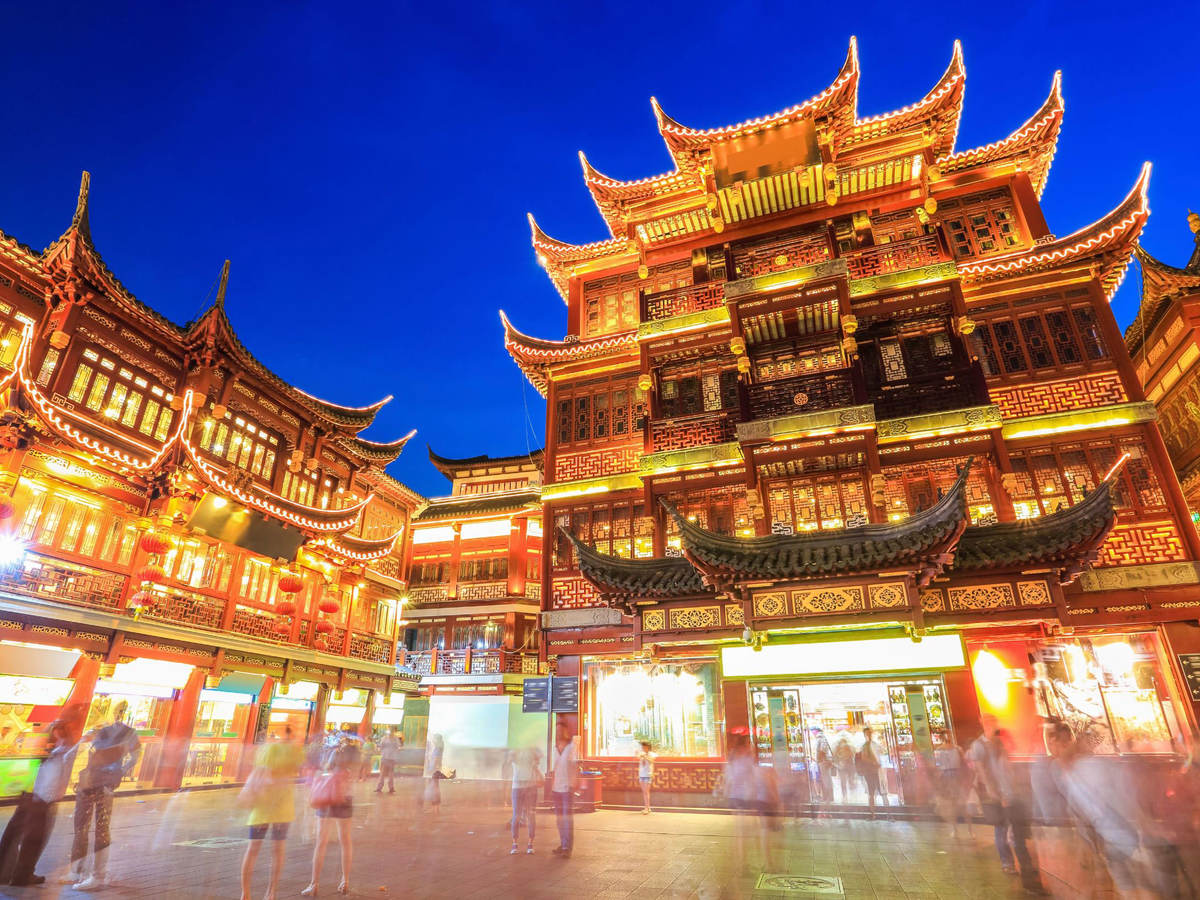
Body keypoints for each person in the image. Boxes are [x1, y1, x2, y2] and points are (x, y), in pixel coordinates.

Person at [65, 699, 141, 891]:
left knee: (100, 826)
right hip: (91, 779)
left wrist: (120, 771)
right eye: (117, 710)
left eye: (122, 711)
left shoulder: (128, 733)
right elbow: (80, 748)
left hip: (104, 781)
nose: (118, 714)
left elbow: (135, 756)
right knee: (81, 825)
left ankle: (97, 874)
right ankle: (76, 869)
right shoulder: (100, 730)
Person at [969, 717, 1044, 894]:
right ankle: (1009, 863)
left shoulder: (999, 742)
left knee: (1016, 833)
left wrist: (1015, 787)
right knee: (1002, 829)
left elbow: (1007, 767)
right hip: (998, 795)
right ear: (984, 724)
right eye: (991, 722)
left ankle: (1027, 870)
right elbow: (982, 771)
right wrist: (994, 792)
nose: (995, 725)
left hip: (1010, 792)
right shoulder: (979, 745)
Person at [0, 721, 77, 886]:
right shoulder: (63, 750)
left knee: (14, 834)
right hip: (40, 798)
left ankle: (5, 873)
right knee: (32, 840)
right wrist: (51, 798)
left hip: (30, 794)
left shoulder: (45, 744)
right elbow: (57, 776)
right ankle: (21, 876)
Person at [240, 725, 303, 900]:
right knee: (278, 849)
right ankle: (271, 892)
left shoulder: (265, 750)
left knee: (253, 848)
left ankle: (245, 893)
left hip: (262, 805)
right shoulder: (293, 751)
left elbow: (257, 767)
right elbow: (298, 767)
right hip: (282, 808)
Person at [302, 736, 359, 897]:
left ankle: (314, 884)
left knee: (321, 841)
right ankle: (345, 880)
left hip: (327, 796)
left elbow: (323, 769)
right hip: (344, 798)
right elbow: (355, 773)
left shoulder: (330, 751)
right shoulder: (351, 752)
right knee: (345, 840)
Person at [549, 721, 578, 858]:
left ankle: (567, 847)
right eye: (557, 730)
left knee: (567, 819)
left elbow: (574, 767)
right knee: (559, 819)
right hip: (556, 789)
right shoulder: (554, 748)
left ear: (566, 732)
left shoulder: (571, 747)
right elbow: (553, 769)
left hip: (567, 788)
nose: (559, 733)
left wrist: (573, 784)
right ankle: (563, 844)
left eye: (561, 730)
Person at [509, 745, 541, 855]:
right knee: (516, 815)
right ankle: (514, 843)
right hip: (517, 786)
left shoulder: (533, 749)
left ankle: (530, 843)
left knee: (531, 815)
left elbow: (538, 760)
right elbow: (510, 759)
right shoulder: (515, 749)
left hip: (530, 786)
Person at [856, 727, 887, 816]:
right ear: (864, 735)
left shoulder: (874, 744)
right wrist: (875, 763)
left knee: (879, 791)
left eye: (870, 733)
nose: (869, 735)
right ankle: (873, 812)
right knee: (872, 792)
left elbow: (881, 752)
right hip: (870, 771)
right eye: (867, 733)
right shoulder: (865, 746)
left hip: (876, 771)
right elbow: (864, 758)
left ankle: (878, 812)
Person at [375, 728, 401, 794]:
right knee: (383, 773)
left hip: (391, 758)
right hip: (385, 757)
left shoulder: (395, 739)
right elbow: (381, 746)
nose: (390, 733)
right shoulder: (384, 738)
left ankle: (391, 788)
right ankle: (379, 787)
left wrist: (396, 752)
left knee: (390, 774)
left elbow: (398, 747)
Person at [811, 727, 833, 804]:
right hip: (824, 761)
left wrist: (818, 760)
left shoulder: (820, 738)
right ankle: (828, 797)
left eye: (812, 731)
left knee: (826, 780)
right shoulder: (823, 737)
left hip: (824, 762)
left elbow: (822, 750)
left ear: (816, 731)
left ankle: (828, 797)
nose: (812, 733)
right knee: (826, 779)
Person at [832, 731, 855, 803]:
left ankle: (845, 796)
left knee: (843, 782)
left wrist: (837, 763)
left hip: (842, 766)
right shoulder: (849, 745)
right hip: (847, 765)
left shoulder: (837, 746)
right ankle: (847, 796)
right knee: (848, 781)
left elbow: (834, 755)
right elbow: (853, 754)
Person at [637, 741, 656, 814]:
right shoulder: (641, 753)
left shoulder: (652, 754)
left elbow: (651, 761)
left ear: (648, 747)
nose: (643, 748)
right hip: (641, 774)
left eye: (644, 747)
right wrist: (640, 755)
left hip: (648, 775)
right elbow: (638, 758)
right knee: (644, 792)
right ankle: (648, 807)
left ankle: (647, 808)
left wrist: (645, 756)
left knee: (646, 792)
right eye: (642, 747)